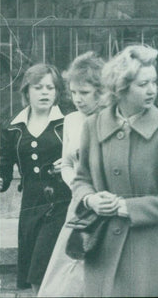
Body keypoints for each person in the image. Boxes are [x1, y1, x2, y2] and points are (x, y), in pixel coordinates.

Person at [70, 45, 158, 296]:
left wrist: (128, 207)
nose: (152, 90)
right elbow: (81, 179)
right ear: (121, 88)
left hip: (152, 252)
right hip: (103, 250)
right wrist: (91, 199)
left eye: (154, 82)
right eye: (142, 84)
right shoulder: (93, 126)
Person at [38, 52, 105, 297]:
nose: (77, 99)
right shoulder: (72, 120)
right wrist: (74, 184)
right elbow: (67, 163)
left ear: (101, 90)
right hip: (78, 206)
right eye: (73, 92)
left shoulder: (111, 121)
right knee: (65, 277)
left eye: (84, 93)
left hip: (105, 206)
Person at [0, 64, 69, 292]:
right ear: (27, 91)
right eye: (38, 87)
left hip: (61, 204)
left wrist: (71, 163)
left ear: (57, 92)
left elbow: (86, 156)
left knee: (43, 269)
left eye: (50, 87)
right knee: (32, 273)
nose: (45, 92)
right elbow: (4, 163)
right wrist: (1, 178)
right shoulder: (13, 127)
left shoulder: (67, 121)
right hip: (30, 206)